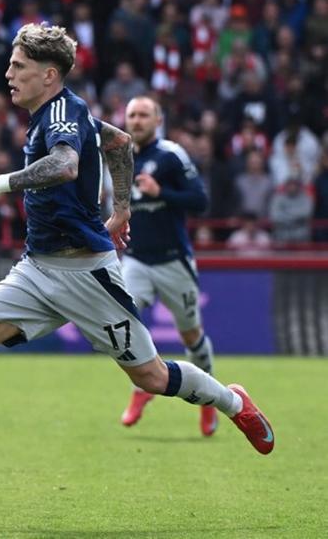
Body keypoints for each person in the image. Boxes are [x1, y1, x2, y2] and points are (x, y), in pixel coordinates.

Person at [0, 23, 275, 507]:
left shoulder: (63, 112)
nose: (8, 74)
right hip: (37, 268)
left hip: (87, 273)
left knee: (151, 378)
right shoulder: (59, 110)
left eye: (18, 67)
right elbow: (119, 143)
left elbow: (65, 165)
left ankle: (233, 402)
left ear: (49, 75)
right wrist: (124, 209)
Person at [118, 96, 218, 436]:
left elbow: (200, 200)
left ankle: (209, 401)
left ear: (157, 120)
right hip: (135, 259)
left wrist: (162, 192)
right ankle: (142, 387)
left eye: (144, 114)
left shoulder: (171, 155)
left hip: (173, 260)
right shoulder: (118, 157)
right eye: (132, 114)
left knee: (191, 334)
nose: (137, 120)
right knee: (125, 321)